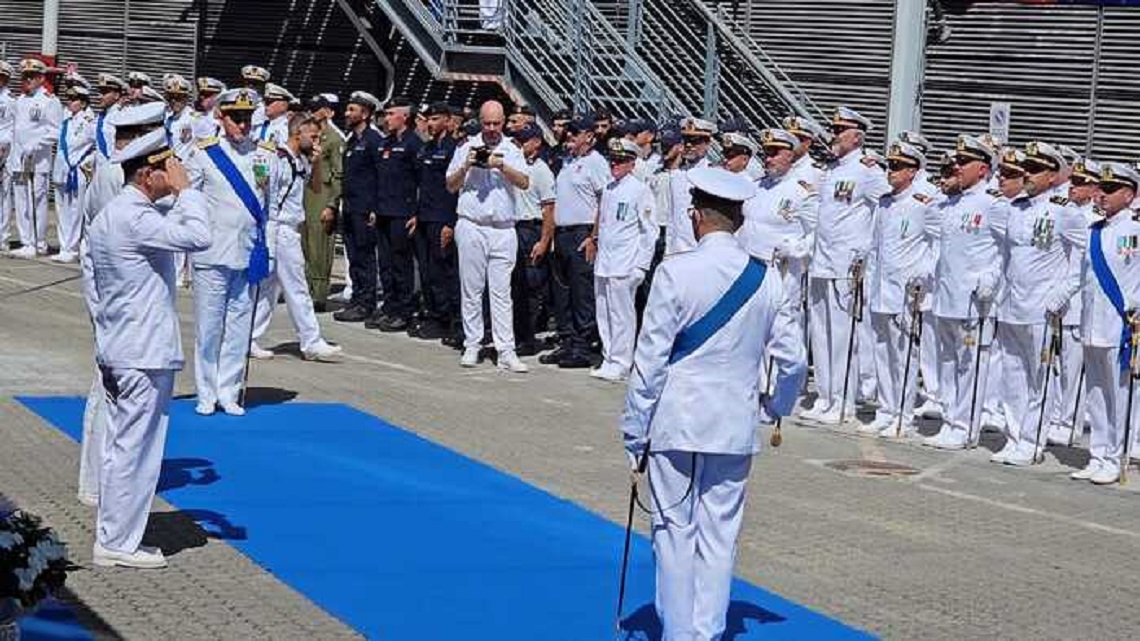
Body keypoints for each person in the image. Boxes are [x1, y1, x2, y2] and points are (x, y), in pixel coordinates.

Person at [620, 166, 806, 640]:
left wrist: (635, 430)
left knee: (673, 531)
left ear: (697, 216)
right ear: (738, 220)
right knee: (720, 536)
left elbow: (650, 360)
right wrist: (775, 406)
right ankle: (707, 632)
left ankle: (679, 634)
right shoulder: (766, 280)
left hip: (675, 422)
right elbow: (792, 360)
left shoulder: (675, 271)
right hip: (733, 424)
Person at [87, 128, 211, 568]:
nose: (174, 174)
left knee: (122, 447)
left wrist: (174, 194)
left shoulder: (116, 213)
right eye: (166, 168)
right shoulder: (135, 218)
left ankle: (114, 534)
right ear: (147, 174)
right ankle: (118, 543)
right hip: (142, 352)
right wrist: (188, 191)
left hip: (122, 346)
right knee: (136, 452)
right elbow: (199, 236)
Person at [76, 102, 168, 508]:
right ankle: (101, 483)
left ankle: (98, 481)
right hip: (120, 289)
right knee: (111, 384)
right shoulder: (120, 173)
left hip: (110, 281)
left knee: (108, 383)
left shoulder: (108, 166)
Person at [988, 142, 1086, 466]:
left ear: (1052, 175)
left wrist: (1065, 290)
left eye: (1035, 170)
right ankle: (1015, 436)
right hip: (1012, 304)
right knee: (1012, 375)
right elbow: (1006, 254)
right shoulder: (1014, 208)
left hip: (1042, 309)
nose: (1027, 175)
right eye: (1026, 169)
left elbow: (1085, 256)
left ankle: (1032, 442)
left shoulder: (1064, 211)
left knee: (1040, 378)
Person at [184, 88, 276, 417]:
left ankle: (229, 391)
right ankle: (206, 392)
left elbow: (269, 205)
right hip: (211, 252)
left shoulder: (265, 154)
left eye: (247, 119)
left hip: (247, 252)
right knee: (209, 328)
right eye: (236, 118)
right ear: (220, 119)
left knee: (239, 328)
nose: (243, 125)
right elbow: (188, 202)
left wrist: (268, 248)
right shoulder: (204, 154)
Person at [802, 107, 890, 424]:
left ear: (857, 137)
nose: (833, 135)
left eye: (840, 130)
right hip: (822, 262)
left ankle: (843, 402)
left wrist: (865, 249)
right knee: (821, 334)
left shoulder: (868, 171)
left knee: (843, 338)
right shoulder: (832, 170)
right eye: (833, 128)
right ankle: (825, 396)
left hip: (845, 265)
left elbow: (888, 210)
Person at [924, 135, 1008, 450]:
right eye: (956, 161)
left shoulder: (993, 203)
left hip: (975, 299)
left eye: (964, 162)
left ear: (984, 169)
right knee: (947, 362)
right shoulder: (947, 203)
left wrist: (991, 277)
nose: (956, 167)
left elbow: (1007, 249)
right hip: (947, 294)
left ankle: (965, 426)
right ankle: (949, 419)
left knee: (970, 364)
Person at [445, 100, 531, 372]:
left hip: (503, 228)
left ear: (504, 122)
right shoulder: (466, 146)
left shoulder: (512, 148)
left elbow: (525, 182)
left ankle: (506, 348)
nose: (492, 129)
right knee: (471, 288)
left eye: (496, 123)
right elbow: (450, 184)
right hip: (472, 224)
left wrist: (500, 166)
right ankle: (473, 343)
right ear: (480, 122)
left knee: (502, 291)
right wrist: (467, 166)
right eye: (487, 123)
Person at [249, 117, 343, 362]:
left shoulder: (298, 160)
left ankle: (250, 338)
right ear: (297, 133)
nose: (315, 141)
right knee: (296, 288)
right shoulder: (276, 158)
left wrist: (316, 161)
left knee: (269, 288)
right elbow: (262, 190)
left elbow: (315, 188)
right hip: (278, 228)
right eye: (312, 136)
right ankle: (311, 341)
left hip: (288, 228)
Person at [1069, 162, 1140, 485]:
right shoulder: (1093, 230)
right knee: (1095, 392)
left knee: (1118, 393)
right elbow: (1082, 277)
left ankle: (1114, 454)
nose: (1102, 195)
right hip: (1091, 322)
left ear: (1130, 194)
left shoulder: (1136, 230)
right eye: (1101, 188)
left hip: (1120, 324)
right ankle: (1097, 454)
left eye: (1110, 190)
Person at [861, 142, 937, 437]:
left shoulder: (923, 203)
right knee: (882, 352)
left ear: (913, 171)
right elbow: (876, 245)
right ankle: (885, 409)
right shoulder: (884, 203)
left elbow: (937, 245)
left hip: (905, 292)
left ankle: (903, 415)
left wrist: (924, 272)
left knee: (904, 356)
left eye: (897, 167)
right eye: (889, 166)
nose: (890, 172)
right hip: (881, 288)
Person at [736, 129, 819, 397]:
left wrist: (795, 249)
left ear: (790, 155)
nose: (768, 158)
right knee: (752, 328)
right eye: (766, 152)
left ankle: (779, 387)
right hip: (751, 268)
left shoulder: (801, 191)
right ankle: (756, 382)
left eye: (775, 153)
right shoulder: (757, 187)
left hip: (783, 271)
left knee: (780, 329)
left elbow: (818, 234)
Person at [544, 115, 610, 369]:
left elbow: (604, 201)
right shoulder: (567, 161)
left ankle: (583, 346)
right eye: (569, 132)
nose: (569, 136)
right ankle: (568, 341)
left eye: (576, 133)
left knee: (582, 293)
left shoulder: (596, 163)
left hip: (581, 233)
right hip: (562, 233)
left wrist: (594, 236)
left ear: (590, 137)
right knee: (563, 293)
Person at [591, 138, 657, 382]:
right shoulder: (609, 189)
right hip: (605, 261)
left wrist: (642, 264)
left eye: (620, 161)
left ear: (632, 163)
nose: (614, 165)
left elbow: (649, 230)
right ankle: (608, 356)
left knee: (622, 315)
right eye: (612, 160)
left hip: (625, 262)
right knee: (604, 312)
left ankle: (621, 361)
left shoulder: (640, 190)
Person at [1047, 158, 1102, 445]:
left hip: (1078, 302)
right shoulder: (1063, 212)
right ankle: (1057, 417)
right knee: (1057, 366)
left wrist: (1064, 292)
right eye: (1073, 181)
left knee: (1074, 369)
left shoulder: (1094, 221)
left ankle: (1070, 423)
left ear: (1094, 188)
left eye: (1081, 183)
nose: (1073, 187)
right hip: (1059, 301)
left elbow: (1084, 266)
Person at [369, 96, 422, 332]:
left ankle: (404, 310)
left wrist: (416, 213)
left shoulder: (414, 144)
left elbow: (422, 181)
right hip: (383, 212)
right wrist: (374, 208)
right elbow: (378, 178)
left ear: (405, 117)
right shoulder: (385, 143)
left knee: (402, 264)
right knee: (386, 264)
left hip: (403, 212)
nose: (386, 119)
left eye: (391, 114)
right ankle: (390, 307)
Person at [331, 91, 384, 323]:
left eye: (352, 110)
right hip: (351, 207)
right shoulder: (352, 140)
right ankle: (357, 298)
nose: (347, 113)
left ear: (365, 113)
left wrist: (374, 208)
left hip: (365, 208)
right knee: (353, 255)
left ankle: (366, 303)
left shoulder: (373, 140)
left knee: (365, 256)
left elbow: (380, 176)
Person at [411, 102, 460, 341]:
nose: (431, 124)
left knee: (444, 271)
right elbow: (420, 185)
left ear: (449, 121)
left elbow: (455, 190)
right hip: (424, 217)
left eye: (436, 118)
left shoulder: (453, 149)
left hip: (442, 218)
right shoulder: (426, 149)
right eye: (429, 119)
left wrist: (451, 223)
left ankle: (447, 318)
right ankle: (432, 313)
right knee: (428, 270)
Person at [6, 58, 61, 258]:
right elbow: (14, 130)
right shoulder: (19, 101)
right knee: (21, 200)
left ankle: (39, 242)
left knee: (38, 200)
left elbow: (56, 131)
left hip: (38, 161)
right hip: (19, 160)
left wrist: (37, 144)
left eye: (31, 76)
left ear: (40, 78)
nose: (27, 80)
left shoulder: (49, 101)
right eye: (24, 76)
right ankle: (26, 241)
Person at [510, 123, 556, 355]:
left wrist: (544, 241)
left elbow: (549, 209)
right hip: (515, 227)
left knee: (530, 287)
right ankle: (517, 334)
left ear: (537, 142)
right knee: (515, 287)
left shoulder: (541, 170)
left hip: (532, 228)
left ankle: (527, 339)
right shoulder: (516, 165)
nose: (519, 144)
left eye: (524, 140)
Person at [303, 93, 344, 312]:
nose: (312, 112)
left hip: (323, 194)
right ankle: (307, 289)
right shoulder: (308, 134)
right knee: (306, 243)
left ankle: (319, 294)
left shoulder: (334, 138)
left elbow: (339, 174)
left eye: (317, 108)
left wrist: (332, 204)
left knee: (320, 245)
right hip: (307, 192)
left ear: (327, 112)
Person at [50, 84, 96, 263]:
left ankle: (73, 247)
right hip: (62, 169)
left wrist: (86, 163)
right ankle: (64, 246)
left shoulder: (89, 121)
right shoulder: (66, 118)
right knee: (62, 209)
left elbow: (97, 146)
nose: (69, 102)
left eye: (73, 99)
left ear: (83, 103)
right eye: (68, 99)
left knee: (75, 210)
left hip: (77, 171)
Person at [665, 117, 715, 257]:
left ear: (707, 144)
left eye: (695, 141)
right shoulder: (677, 175)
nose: (688, 145)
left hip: (698, 250)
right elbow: (672, 216)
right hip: (674, 250)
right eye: (686, 140)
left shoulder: (713, 175)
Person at [0, 61, 14, 248]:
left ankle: (2, 235)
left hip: (3, 151)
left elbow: (13, 127)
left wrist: (3, 147)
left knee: (3, 195)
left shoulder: (11, 101)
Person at [191, 77, 226, 141]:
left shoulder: (225, 119)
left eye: (206, 94)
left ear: (218, 97)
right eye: (201, 93)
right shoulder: (195, 117)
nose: (202, 97)